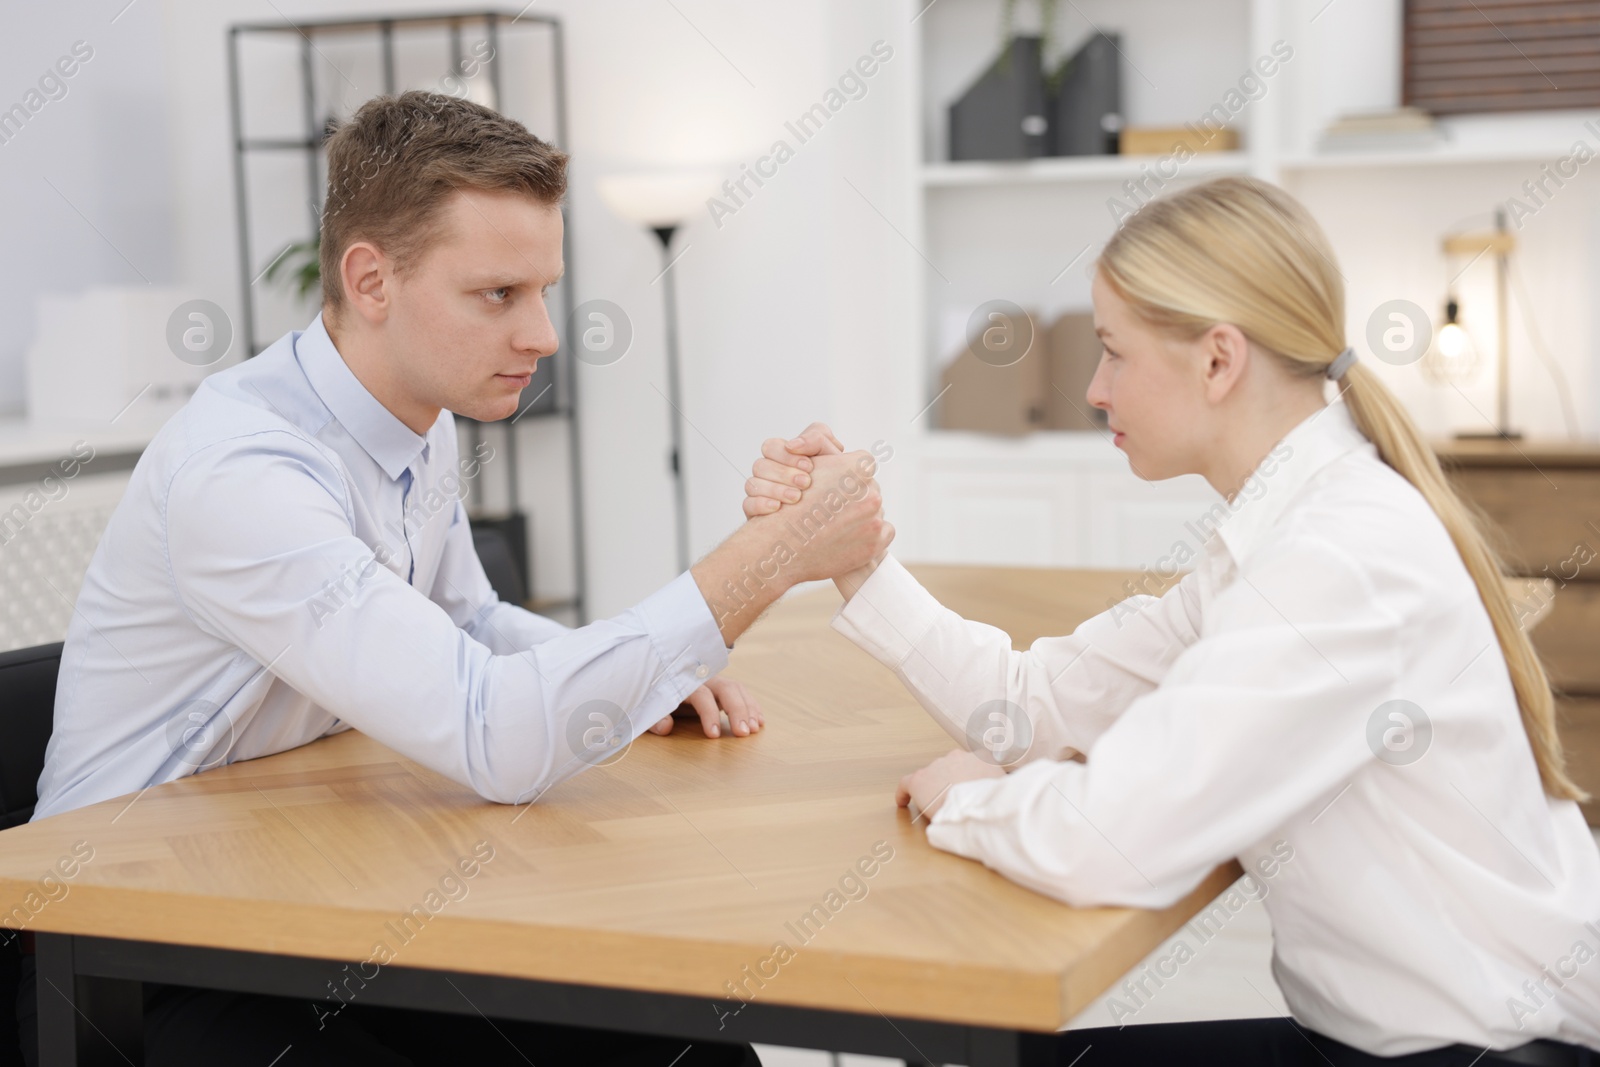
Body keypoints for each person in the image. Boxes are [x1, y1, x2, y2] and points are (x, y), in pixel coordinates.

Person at [18, 91, 890, 1067]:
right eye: (497, 295)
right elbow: (495, 736)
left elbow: (464, 614)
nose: (545, 335)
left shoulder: (413, 419)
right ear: (370, 278)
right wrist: (764, 560)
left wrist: (637, 676)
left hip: (299, 895)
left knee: (689, 1047)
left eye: (545, 290)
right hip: (127, 947)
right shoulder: (246, 474)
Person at [746, 177, 1600, 1066]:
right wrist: (856, 562)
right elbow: (1027, 701)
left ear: (1219, 361)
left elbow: (1116, 843)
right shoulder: (1275, 539)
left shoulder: (1338, 559)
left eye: (1113, 352)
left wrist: (969, 799)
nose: (1092, 388)